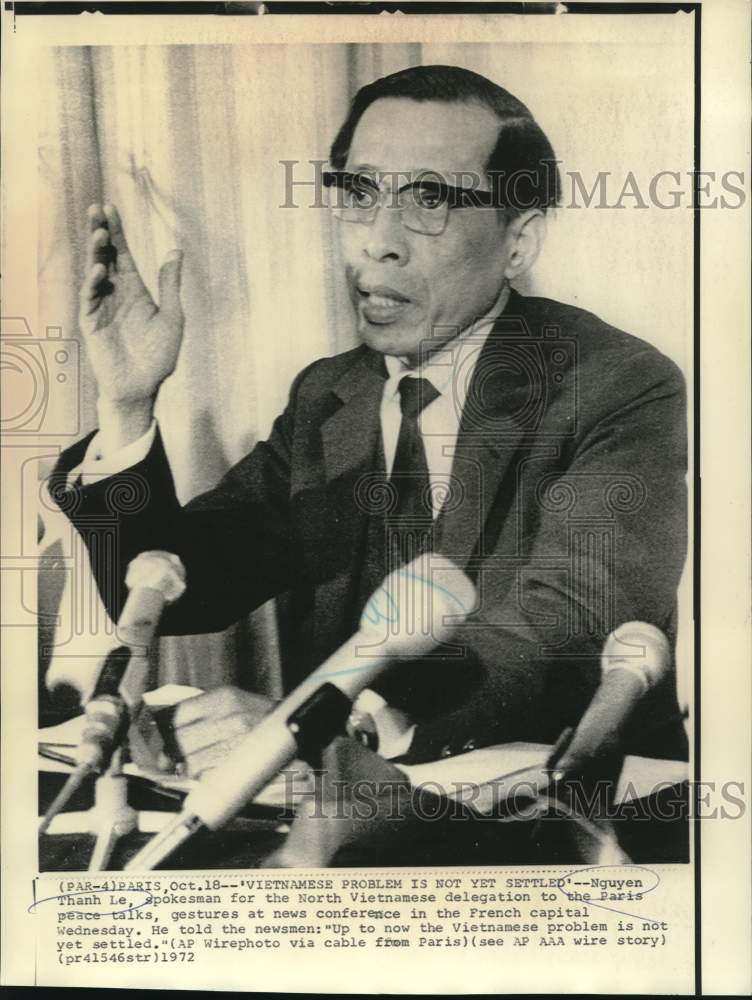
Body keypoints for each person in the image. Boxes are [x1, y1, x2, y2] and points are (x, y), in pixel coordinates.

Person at [50, 65, 688, 778]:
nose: (377, 242)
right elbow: (185, 583)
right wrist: (128, 405)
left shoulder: (619, 384)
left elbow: (561, 634)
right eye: (359, 194)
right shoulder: (331, 395)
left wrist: (316, 725)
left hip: (568, 822)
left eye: (429, 200)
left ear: (519, 242)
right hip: (350, 822)